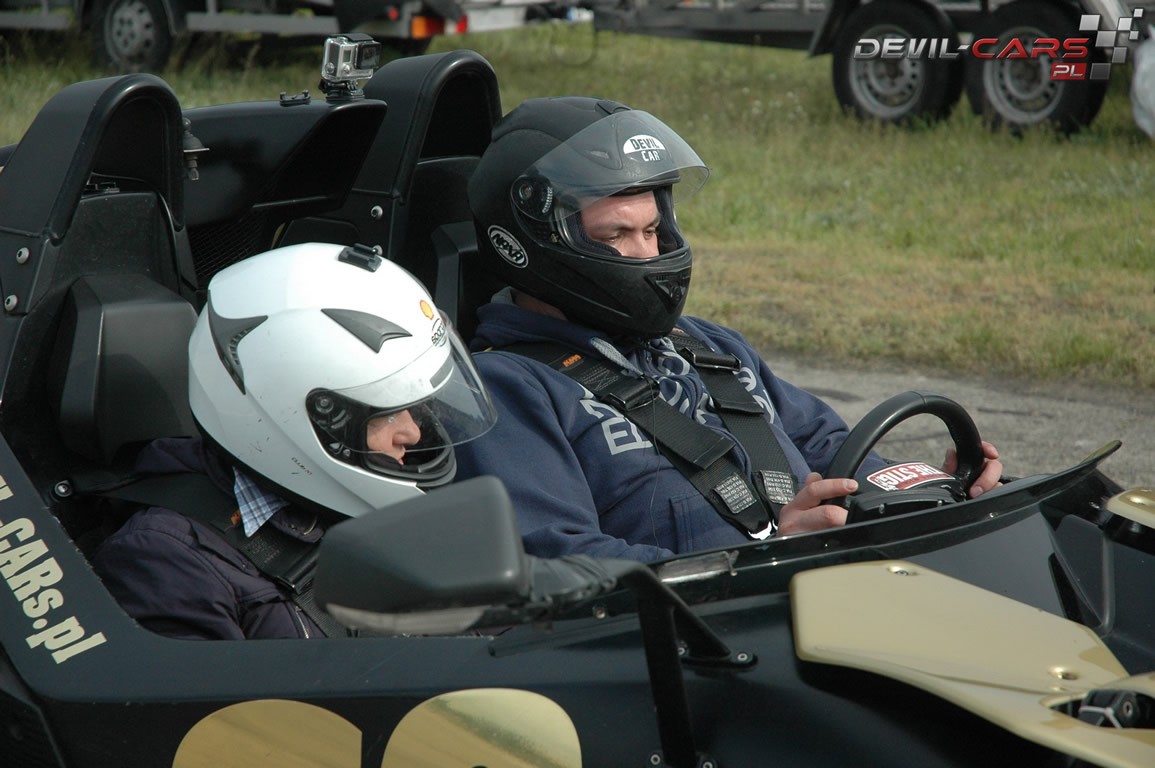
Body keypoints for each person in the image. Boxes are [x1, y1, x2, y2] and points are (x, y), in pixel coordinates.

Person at [452, 96, 1003, 563]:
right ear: (529, 244)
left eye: (652, 229)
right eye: (615, 235)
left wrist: (926, 488)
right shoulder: (506, 389)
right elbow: (561, 561)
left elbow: (835, 451)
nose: (647, 254)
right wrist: (759, 561)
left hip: (824, 591)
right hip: (708, 634)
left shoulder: (709, 346)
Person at [92, 242, 497, 639]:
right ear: (300, 420)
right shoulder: (167, 562)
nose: (413, 432)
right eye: (385, 413)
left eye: (416, 406)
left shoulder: (375, 510)